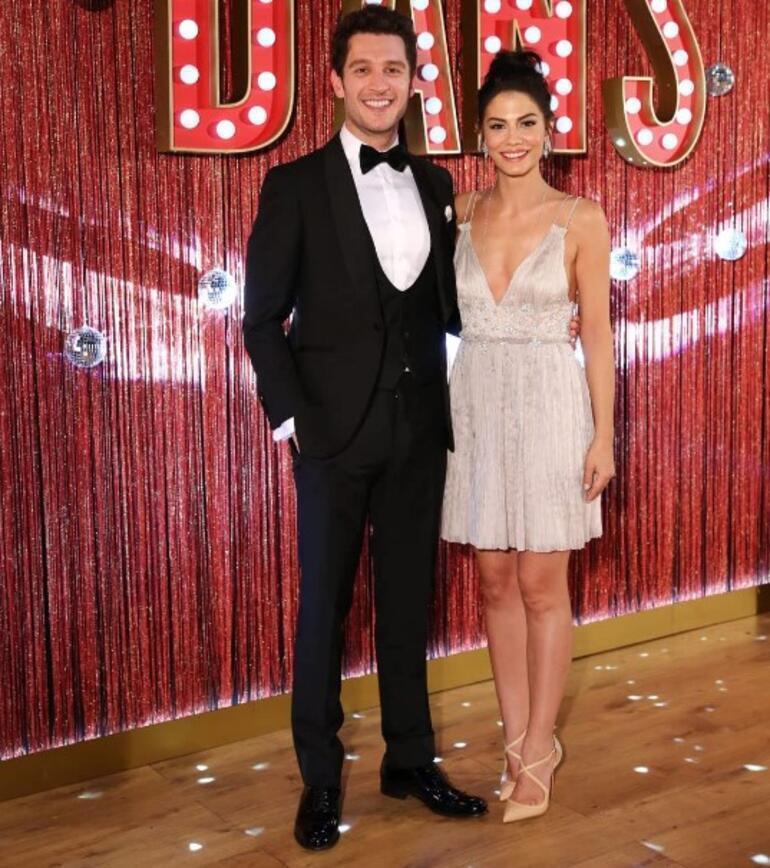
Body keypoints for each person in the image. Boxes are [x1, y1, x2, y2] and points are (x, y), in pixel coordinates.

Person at [242, 5, 487, 852]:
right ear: (336, 81)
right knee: (324, 609)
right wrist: (294, 421)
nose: (380, 84)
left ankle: (409, 760)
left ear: (413, 81)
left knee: (408, 603)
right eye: (364, 69)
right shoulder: (294, 186)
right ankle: (320, 778)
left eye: (394, 69)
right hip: (332, 437)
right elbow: (260, 319)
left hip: (419, 428)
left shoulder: (438, 187)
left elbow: (448, 310)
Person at [441, 50, 616, 823]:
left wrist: (604, 436)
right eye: (498, 125)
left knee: (543, 584)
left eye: (527, 123)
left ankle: (541, 750)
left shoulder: (582, 218)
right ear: (480, 136)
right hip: (476, 406)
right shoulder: (459, 214)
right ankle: (515, 739)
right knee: (493, 582)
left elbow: (598, 335)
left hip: (550, 406)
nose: (513, 137)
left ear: (549, 131)